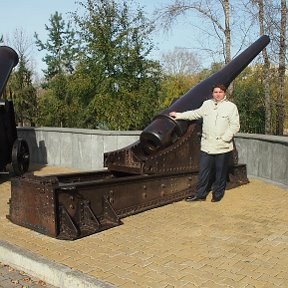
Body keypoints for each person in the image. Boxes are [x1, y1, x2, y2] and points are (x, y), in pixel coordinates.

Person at [169, 84, 240, 202]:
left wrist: (225, 138)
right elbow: (195, 114)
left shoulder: (231, 107)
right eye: (215, 92)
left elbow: (235, 125)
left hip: (222, 146)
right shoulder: (207, 105)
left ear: (224, 93)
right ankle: (200, 194)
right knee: (203, 172)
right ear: (212, 93)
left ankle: (218, 194)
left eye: (220, 92)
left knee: (220, 173)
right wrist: (178, 115)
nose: (218, 94)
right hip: (207, 146)